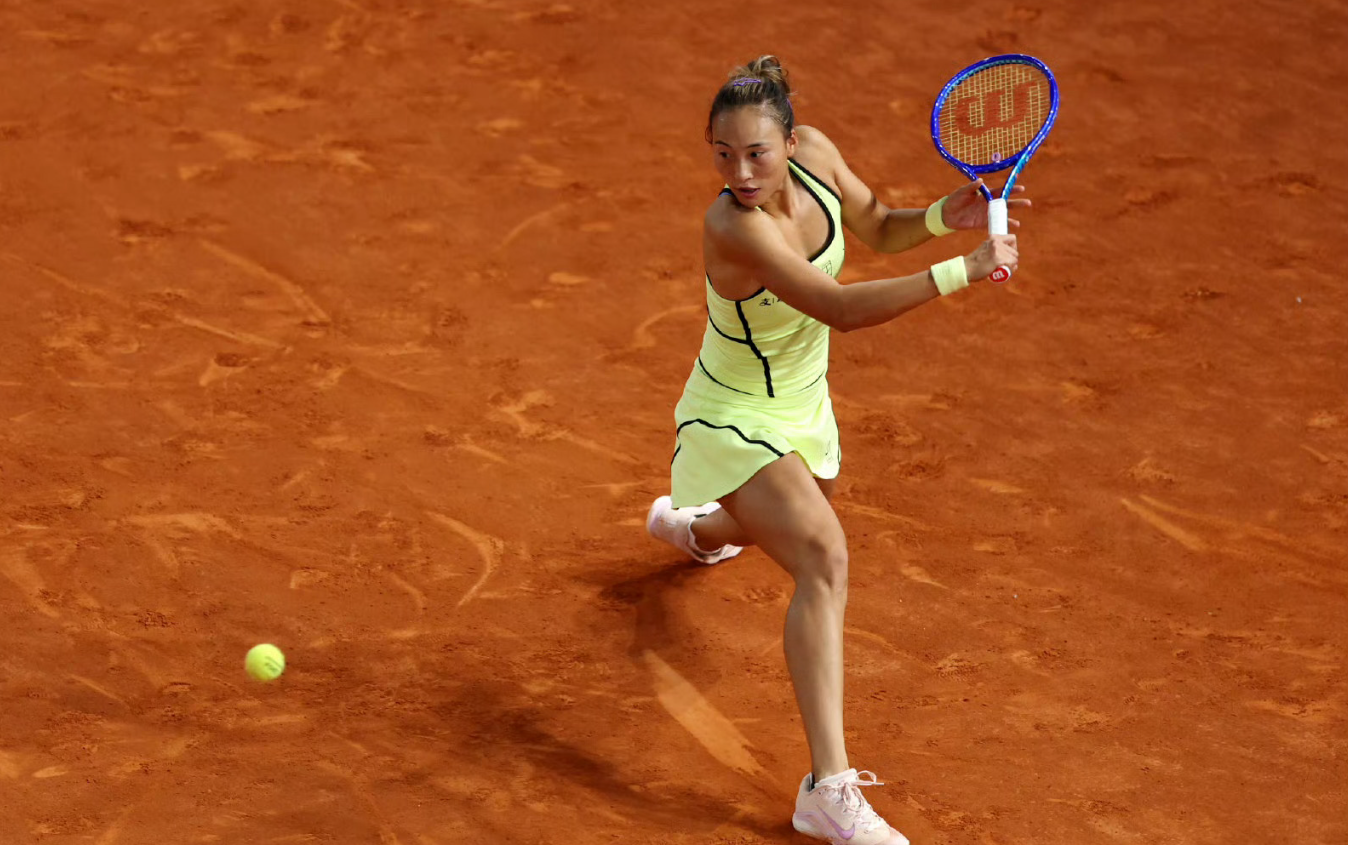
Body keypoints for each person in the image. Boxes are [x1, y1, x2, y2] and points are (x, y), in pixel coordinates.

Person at [645, 56, 1028, 845]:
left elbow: (878, 225)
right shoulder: (733, 225)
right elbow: (839, 308)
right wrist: (964, 268)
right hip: (731, 413)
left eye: (757, 153)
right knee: (823, 554)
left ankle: (700, 529)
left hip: (802, 402)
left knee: (802, 505)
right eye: (722, 154)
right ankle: (827, 789)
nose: (740, 173)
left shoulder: (818, 155)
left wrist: (940, 217)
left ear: (792, 141)